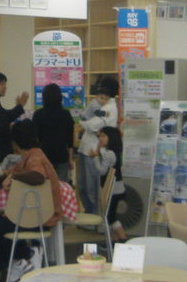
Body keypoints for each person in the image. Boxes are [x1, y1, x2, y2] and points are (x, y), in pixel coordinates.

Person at [0, 120, 62, 282]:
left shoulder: (34, 158)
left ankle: (18, 262)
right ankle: (25, 257)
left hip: (38, 218)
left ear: (15, 143)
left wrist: (13, 177)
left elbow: (38, 176)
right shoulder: (32, 155)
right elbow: (9, 173)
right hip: (34, 215)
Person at [76, 76, 118, 213]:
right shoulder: (100, 105)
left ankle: (94, 217)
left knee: (91, 188)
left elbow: (91, 126)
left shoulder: (110, 108)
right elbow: (87, 120)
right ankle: (88, 213)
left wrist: (82, 122)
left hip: (94, 152)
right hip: (85, 149)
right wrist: (85, 121)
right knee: (82, 186)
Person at [32, 82, 75, 184]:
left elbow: (35, 138)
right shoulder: (66, 114)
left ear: (44, 98)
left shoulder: (38, 114)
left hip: (44, 155)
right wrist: (70, 158)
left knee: (45, 186)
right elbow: (70, 140)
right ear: (60, 97)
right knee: (61, 186)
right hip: (61, 155)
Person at [91, 124, 127, 241]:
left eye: (103, 136)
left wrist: (95, 157)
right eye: (99, 136)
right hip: (117, 188)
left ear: (110, 137)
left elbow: (101, 171)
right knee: (110, 215)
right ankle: (114, 241)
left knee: (110, 217)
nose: (100, 139)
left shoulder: (109, 154)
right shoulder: (114, 151)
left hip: (114, 190)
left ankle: (123, 239)